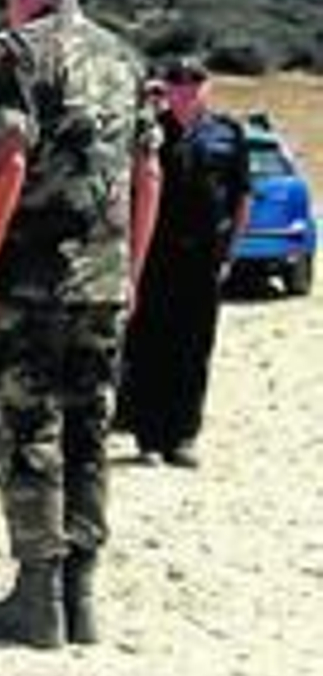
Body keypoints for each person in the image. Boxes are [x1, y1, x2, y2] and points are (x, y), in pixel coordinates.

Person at [0, 0, 162, 649]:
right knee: (88, 432)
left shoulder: (19, 51)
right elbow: (149, 173)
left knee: (30, 430)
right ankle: (81, 597)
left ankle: (37, 599)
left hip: (33, 281)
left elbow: (9, 159)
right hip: (103, 281)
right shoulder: (124, 59)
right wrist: (131, 270)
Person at [118, 56, 250, 469]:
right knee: (149, 345)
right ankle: (149, 437)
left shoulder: (228, 133)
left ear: (207, 86)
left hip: (203, 261)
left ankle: (184, 436)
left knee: (194, 348)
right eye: (177, 80)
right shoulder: (149, 133)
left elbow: (242, 197)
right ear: (167, 87)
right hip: (156, 258)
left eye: (195, 80)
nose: (186, 87)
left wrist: (230, 253)